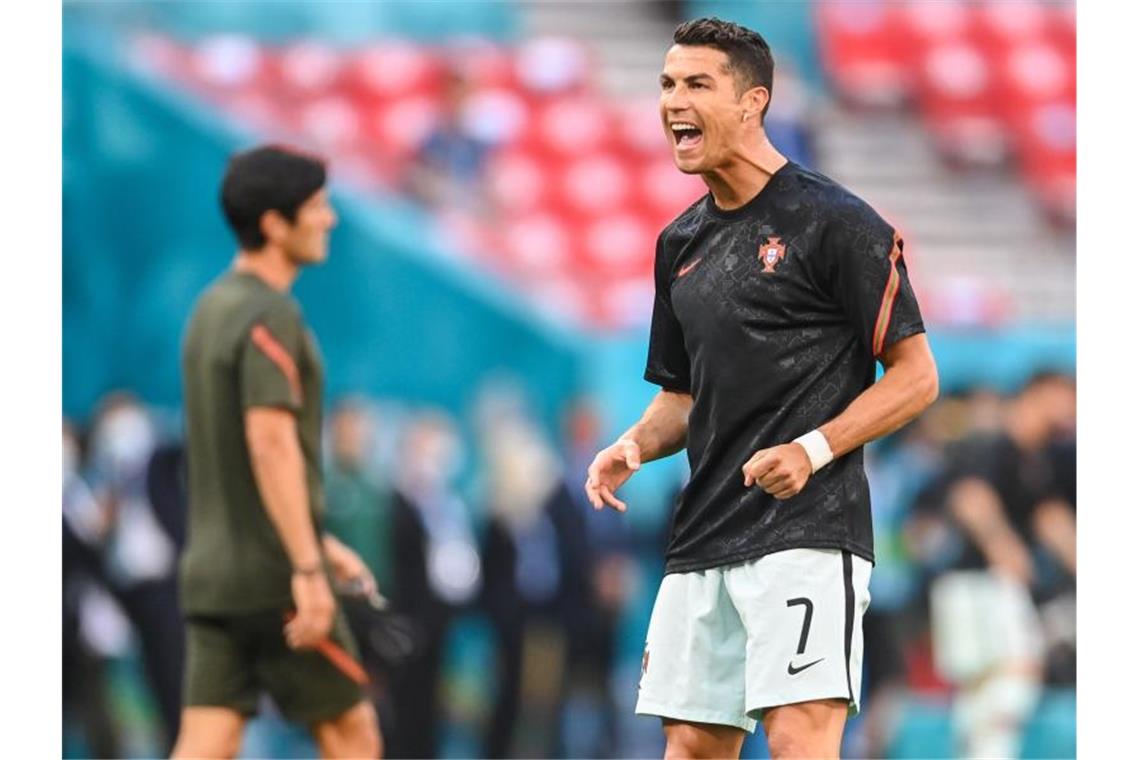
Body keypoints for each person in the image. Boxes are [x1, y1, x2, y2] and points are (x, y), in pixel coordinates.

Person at [584, 19, 938, 760]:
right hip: (702, 536)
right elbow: (681, 399)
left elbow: (916, 377)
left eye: (696, 84)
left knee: (800, 741)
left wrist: (812, 450)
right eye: (667, 85)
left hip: (808, 534)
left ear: (754, 102)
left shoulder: (834, 222)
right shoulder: (678, 243)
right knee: (690, 749)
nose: (673, 102)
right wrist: (632, 444)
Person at [172, 145, 382, 759]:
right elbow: (268, 445)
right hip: (274, 581)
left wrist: (319, 541)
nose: (330, 218)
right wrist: (307, 569)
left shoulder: (211, 309)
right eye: (316, 206)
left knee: (206, 742)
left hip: (212, 576)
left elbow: (232, 463)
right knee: (354, 736)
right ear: (273, 223)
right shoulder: (271, 313)